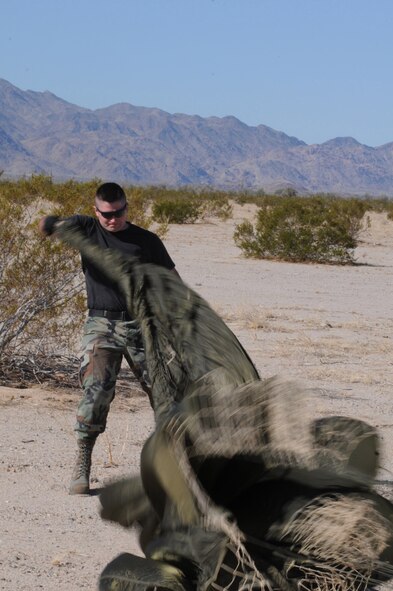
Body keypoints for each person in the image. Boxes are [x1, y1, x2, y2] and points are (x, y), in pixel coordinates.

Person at [39, 182, 178, 495]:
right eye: (106, 214)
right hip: (102, 323)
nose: (113, 219)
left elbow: (171, 280)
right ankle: (83, 462)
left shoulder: (146, 241)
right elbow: (55, 225)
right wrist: (50, 224)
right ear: (96, 211)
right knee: (97, 390)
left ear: (127, 208)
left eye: (118, 213)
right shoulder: (88, 229)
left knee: (164, 392)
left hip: (143, 323)